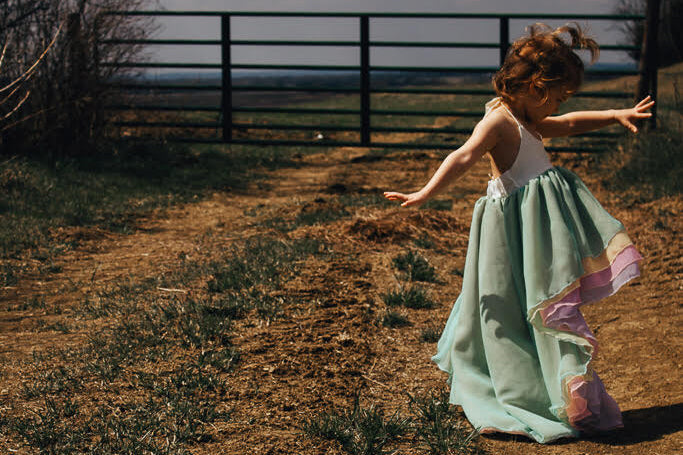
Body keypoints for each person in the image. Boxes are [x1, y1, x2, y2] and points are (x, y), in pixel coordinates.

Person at [383, 23, 654, 443]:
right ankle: (512, 389)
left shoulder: (529, 119)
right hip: (511, 232)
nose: (559, 106)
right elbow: (464, 155)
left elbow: (569, 124)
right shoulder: (499, 121)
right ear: (534, 87)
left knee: (541, 305)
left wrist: (614, 115)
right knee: (508, 308)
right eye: (557, 97)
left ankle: (556, 388)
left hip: (537, 231)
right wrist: (424, 193)